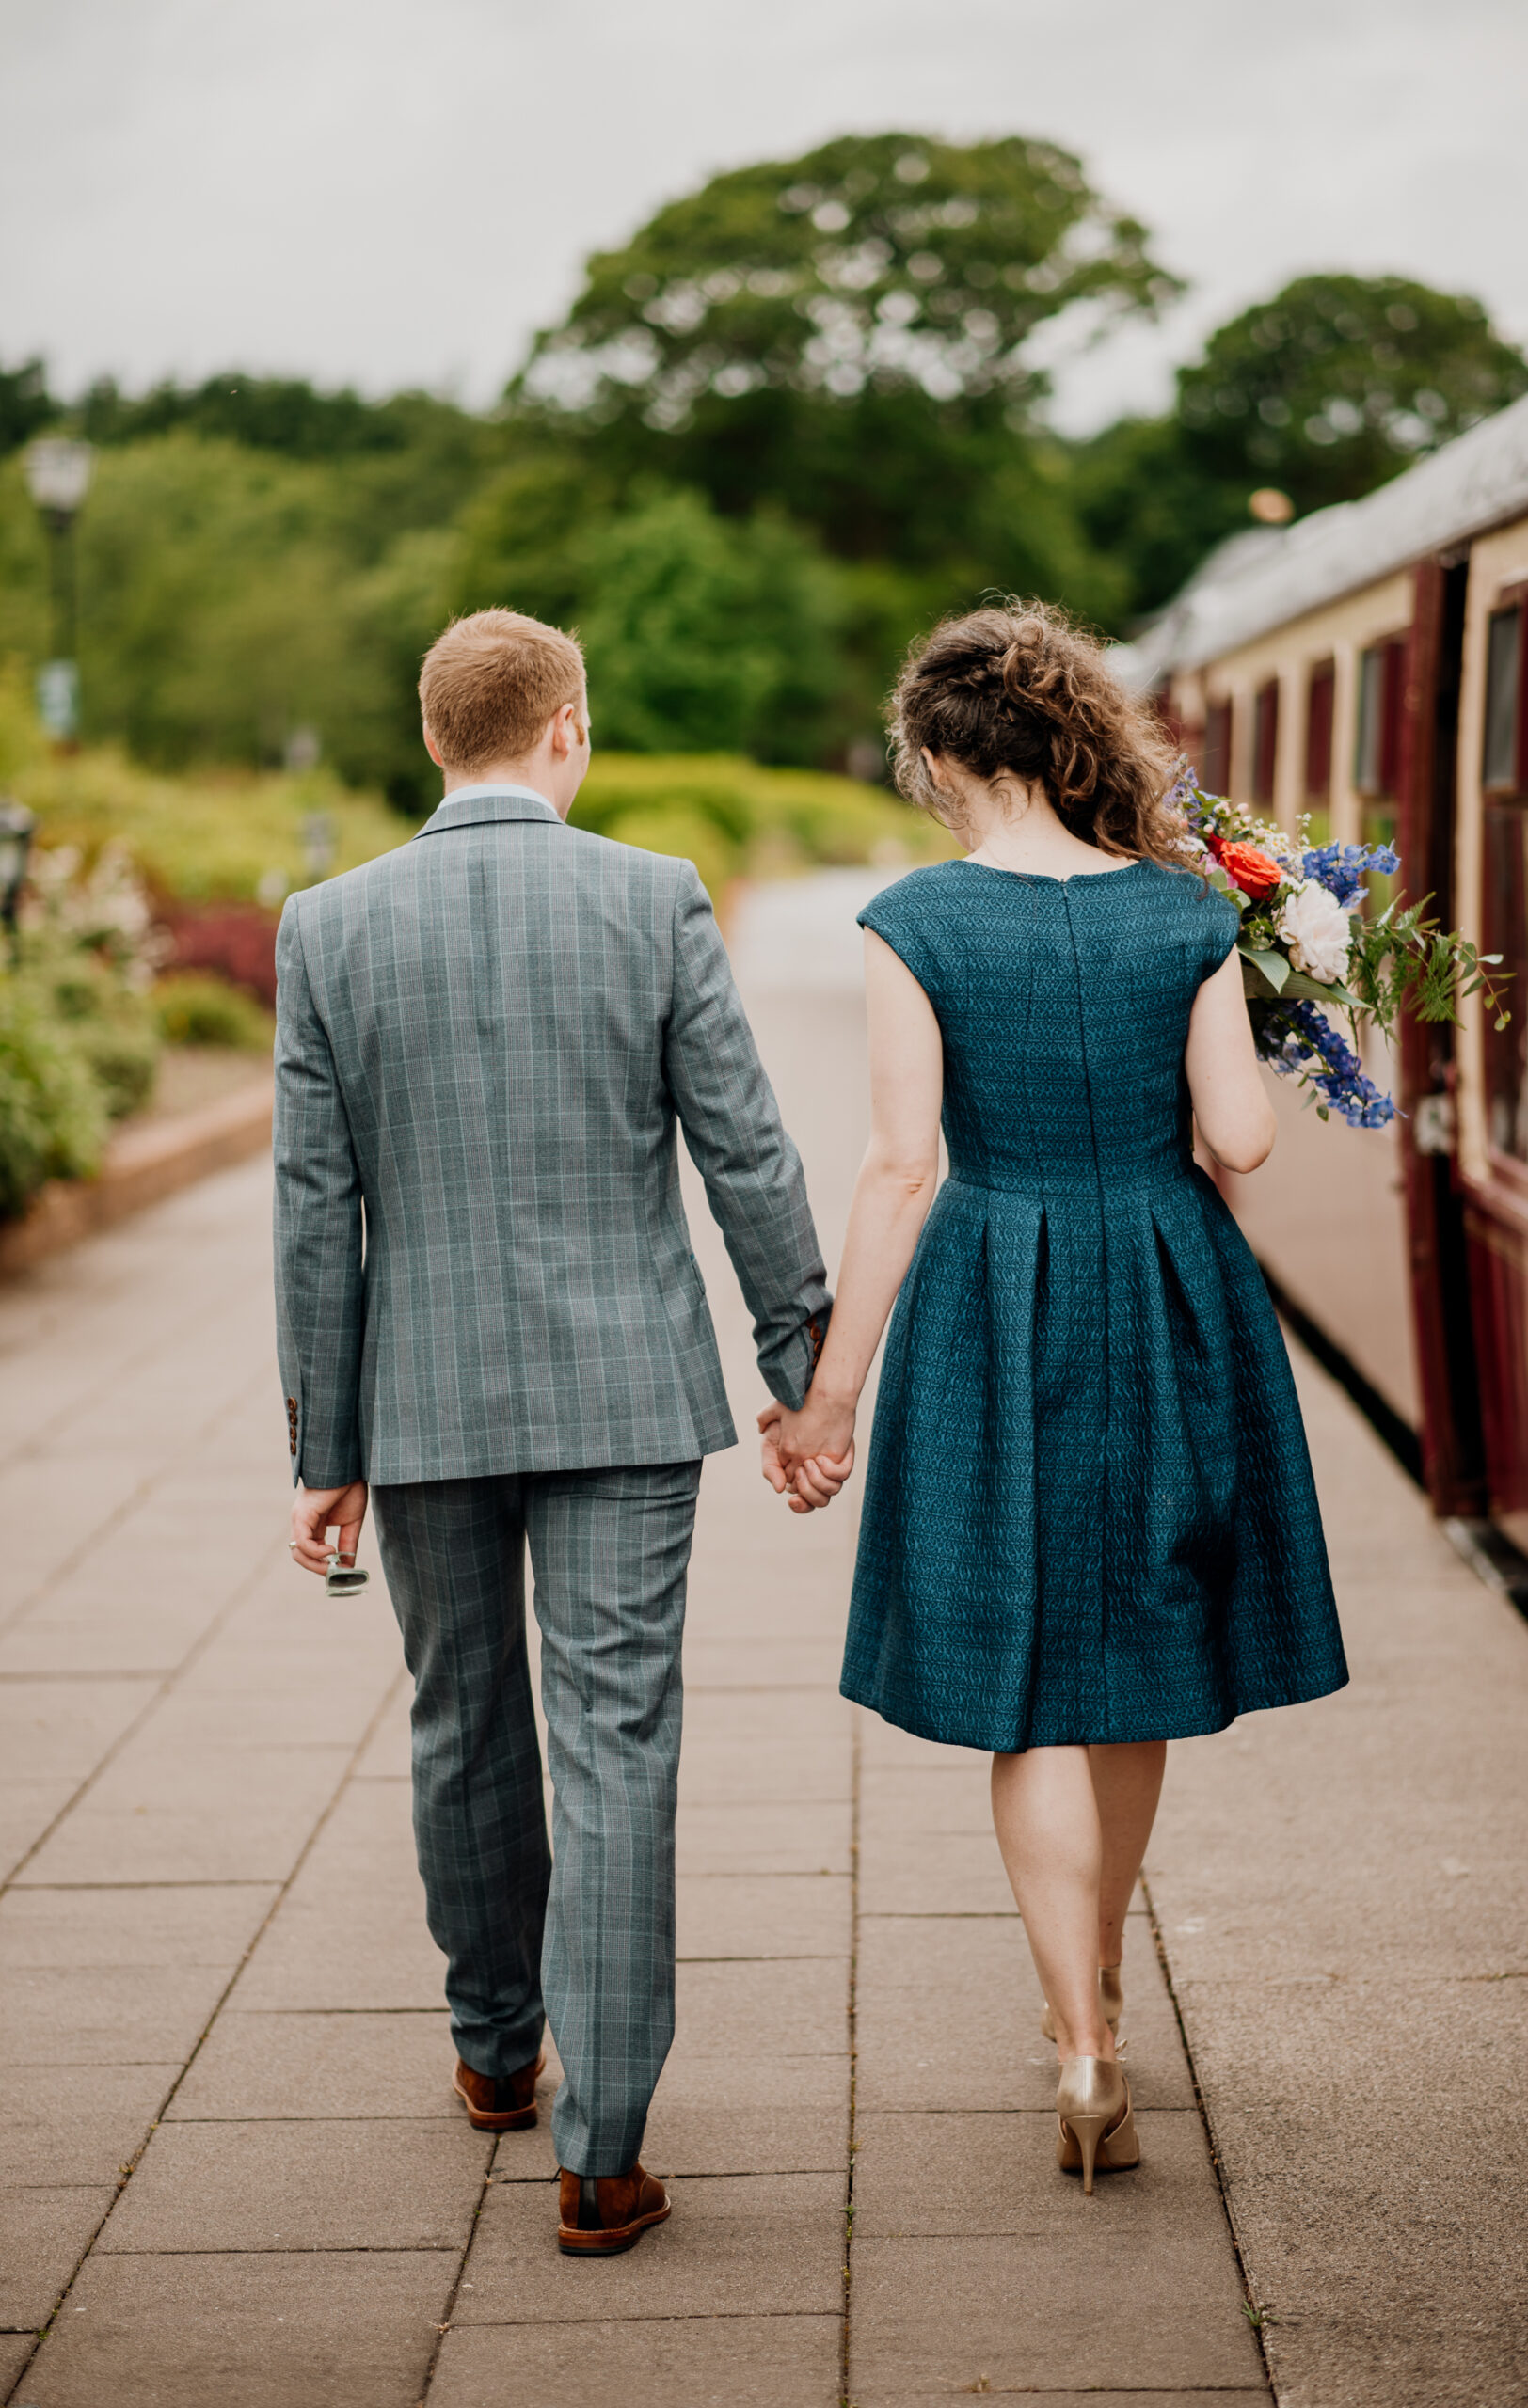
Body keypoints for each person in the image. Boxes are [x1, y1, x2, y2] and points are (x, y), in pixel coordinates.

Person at [761, 603, 1347, 2193]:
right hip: (1167, 1284)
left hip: (995, 1296)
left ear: (946, 756)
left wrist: (827, 1400)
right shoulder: (1182, 915)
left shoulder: (914, 921)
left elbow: (897, 1166)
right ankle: (1095, 1986)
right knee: (1139, 1655)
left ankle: (1078, 2044)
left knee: (1026, 1677)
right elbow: (1240, 1143)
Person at [274, 609, 829, 2256]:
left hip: (421, 1396)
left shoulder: (329, 925)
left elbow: (317, 1207)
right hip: (622, 1397)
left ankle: (495, 2052)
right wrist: (797, 1358)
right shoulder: (649, 895)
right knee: (616, 1737)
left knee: (461, 1722)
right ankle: (602, 2150)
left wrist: (326, 1444)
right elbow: (743, 1147)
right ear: (566, 728)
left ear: (433, 738)